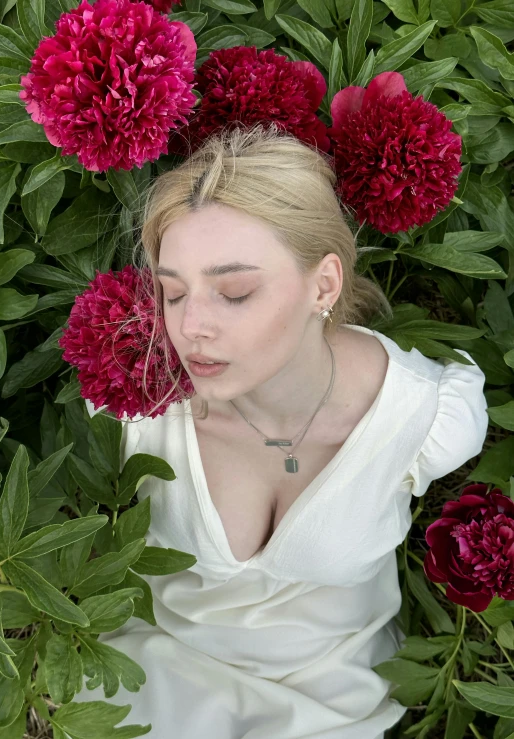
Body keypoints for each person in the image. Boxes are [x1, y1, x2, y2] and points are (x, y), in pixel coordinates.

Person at [71, 123, 489, 738]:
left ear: (323, 284)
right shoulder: (140, 408)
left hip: (343, 702)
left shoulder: (421, 417)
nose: (192, 328)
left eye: (234, 291)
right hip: (163, 686)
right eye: (173, 293)